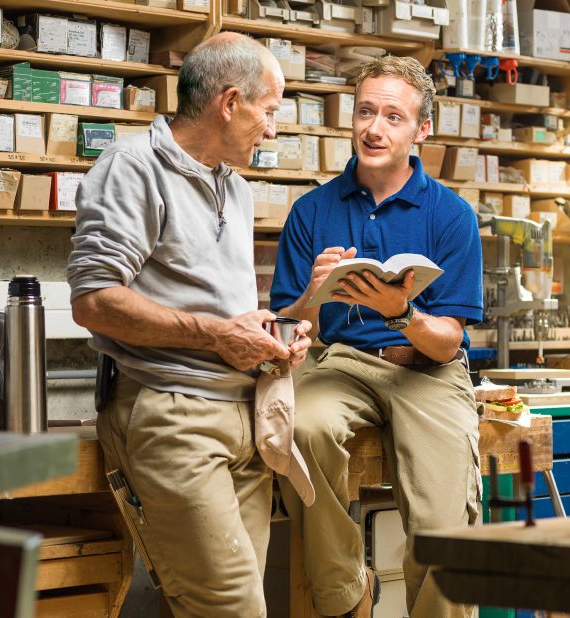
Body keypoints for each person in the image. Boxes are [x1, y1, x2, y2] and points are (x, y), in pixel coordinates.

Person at [67, 33, 312, 618]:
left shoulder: (236, 185)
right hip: (174, 416)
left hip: (242, 415)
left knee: (237, 603)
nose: (273, 130)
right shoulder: (133, 169)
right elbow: (94, 300)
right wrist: (216, 335)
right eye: (270, 111)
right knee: (231, 609)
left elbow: (216, 310)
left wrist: (266, 330)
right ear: (230, 103)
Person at [271, 56, 483, 617]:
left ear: (422, 130)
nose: (375, 128)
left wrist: (402, 313)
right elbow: (289, 328)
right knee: (304, 425)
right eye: (366, 111)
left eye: (394, 116)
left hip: (427, 374)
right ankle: (346, 593)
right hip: (341, 364)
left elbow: (446, 343)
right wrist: (312, 293)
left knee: (442, 532)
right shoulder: (311, 211)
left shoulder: (452, 216)